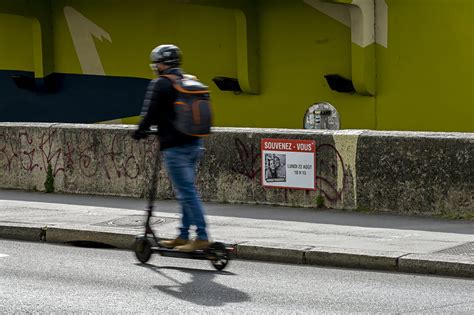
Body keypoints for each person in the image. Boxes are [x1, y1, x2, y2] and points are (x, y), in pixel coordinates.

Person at [132, 44, 210, 252]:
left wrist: (140, 131)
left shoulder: (161, 84)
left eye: (157, 62)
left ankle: (202, 236)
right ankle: (183, 235)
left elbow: (149, 113)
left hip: (175, 147)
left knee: (187, 193)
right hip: (195, 144)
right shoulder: (187, 81)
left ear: (162, 64)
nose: (155, 66)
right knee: (187, 191)